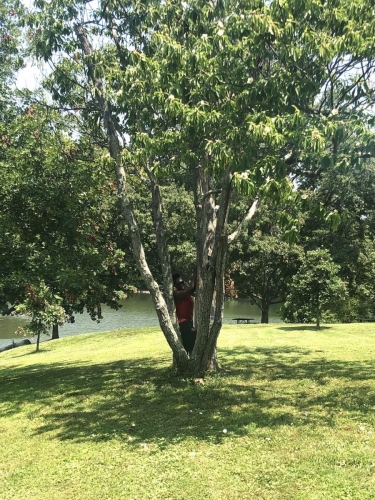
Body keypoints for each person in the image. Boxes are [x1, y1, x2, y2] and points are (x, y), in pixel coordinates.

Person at [172, 273, 196, 356]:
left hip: (189, 322)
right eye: (179, 284)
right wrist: (195, 272)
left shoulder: (185, 292)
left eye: (182, 282)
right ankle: (189, 365)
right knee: (190, 347)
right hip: (183, 324)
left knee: (191, 346)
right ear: (175, 285)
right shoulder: (176, 294)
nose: (182, 284)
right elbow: (192, 288)